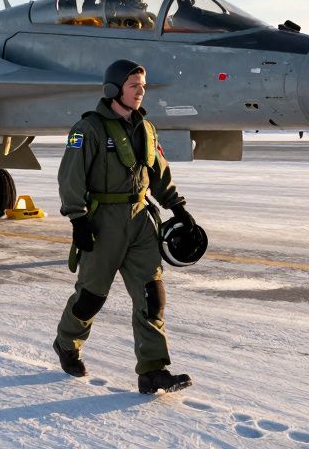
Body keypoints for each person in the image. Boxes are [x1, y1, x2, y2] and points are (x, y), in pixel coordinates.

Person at [53, 59, 195, 394]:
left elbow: (157, 172)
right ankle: (66, 342)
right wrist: (78, 218)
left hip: (140, 220)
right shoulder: (87, 128)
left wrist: (178, 208)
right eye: (133, 86)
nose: (140, 92)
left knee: (151, 296)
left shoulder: (145, 128)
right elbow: (69, 176)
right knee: (91, 296)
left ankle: (153, 370)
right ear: (114, 89)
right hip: (103, 221)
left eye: (142, 86)